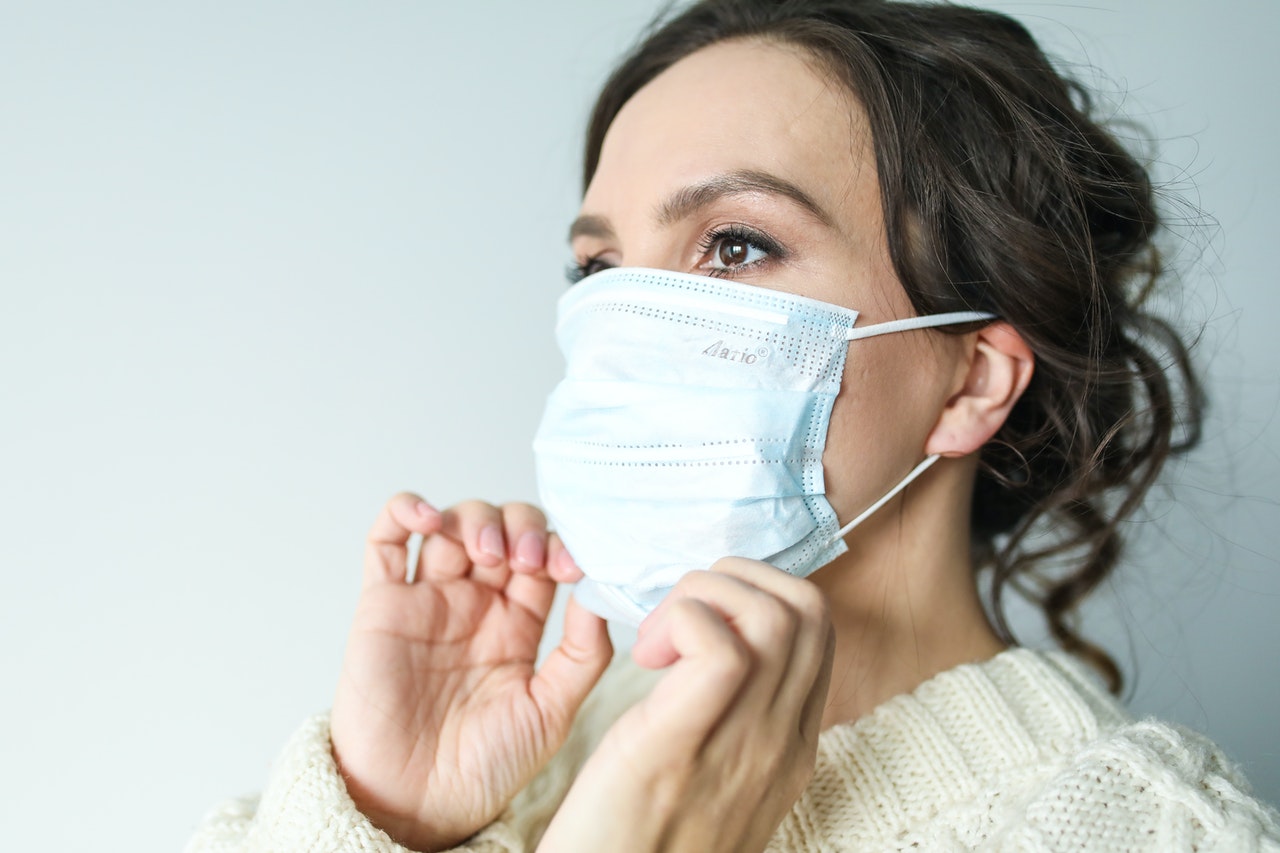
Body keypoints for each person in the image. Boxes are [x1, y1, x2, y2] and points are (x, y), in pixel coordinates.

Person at [187, 1, 1280, 850]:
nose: (625, 323)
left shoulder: (1154, 829)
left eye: (734, 245)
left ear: (968, 384)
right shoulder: (510, 750)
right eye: (599, 269)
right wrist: (389, 816)